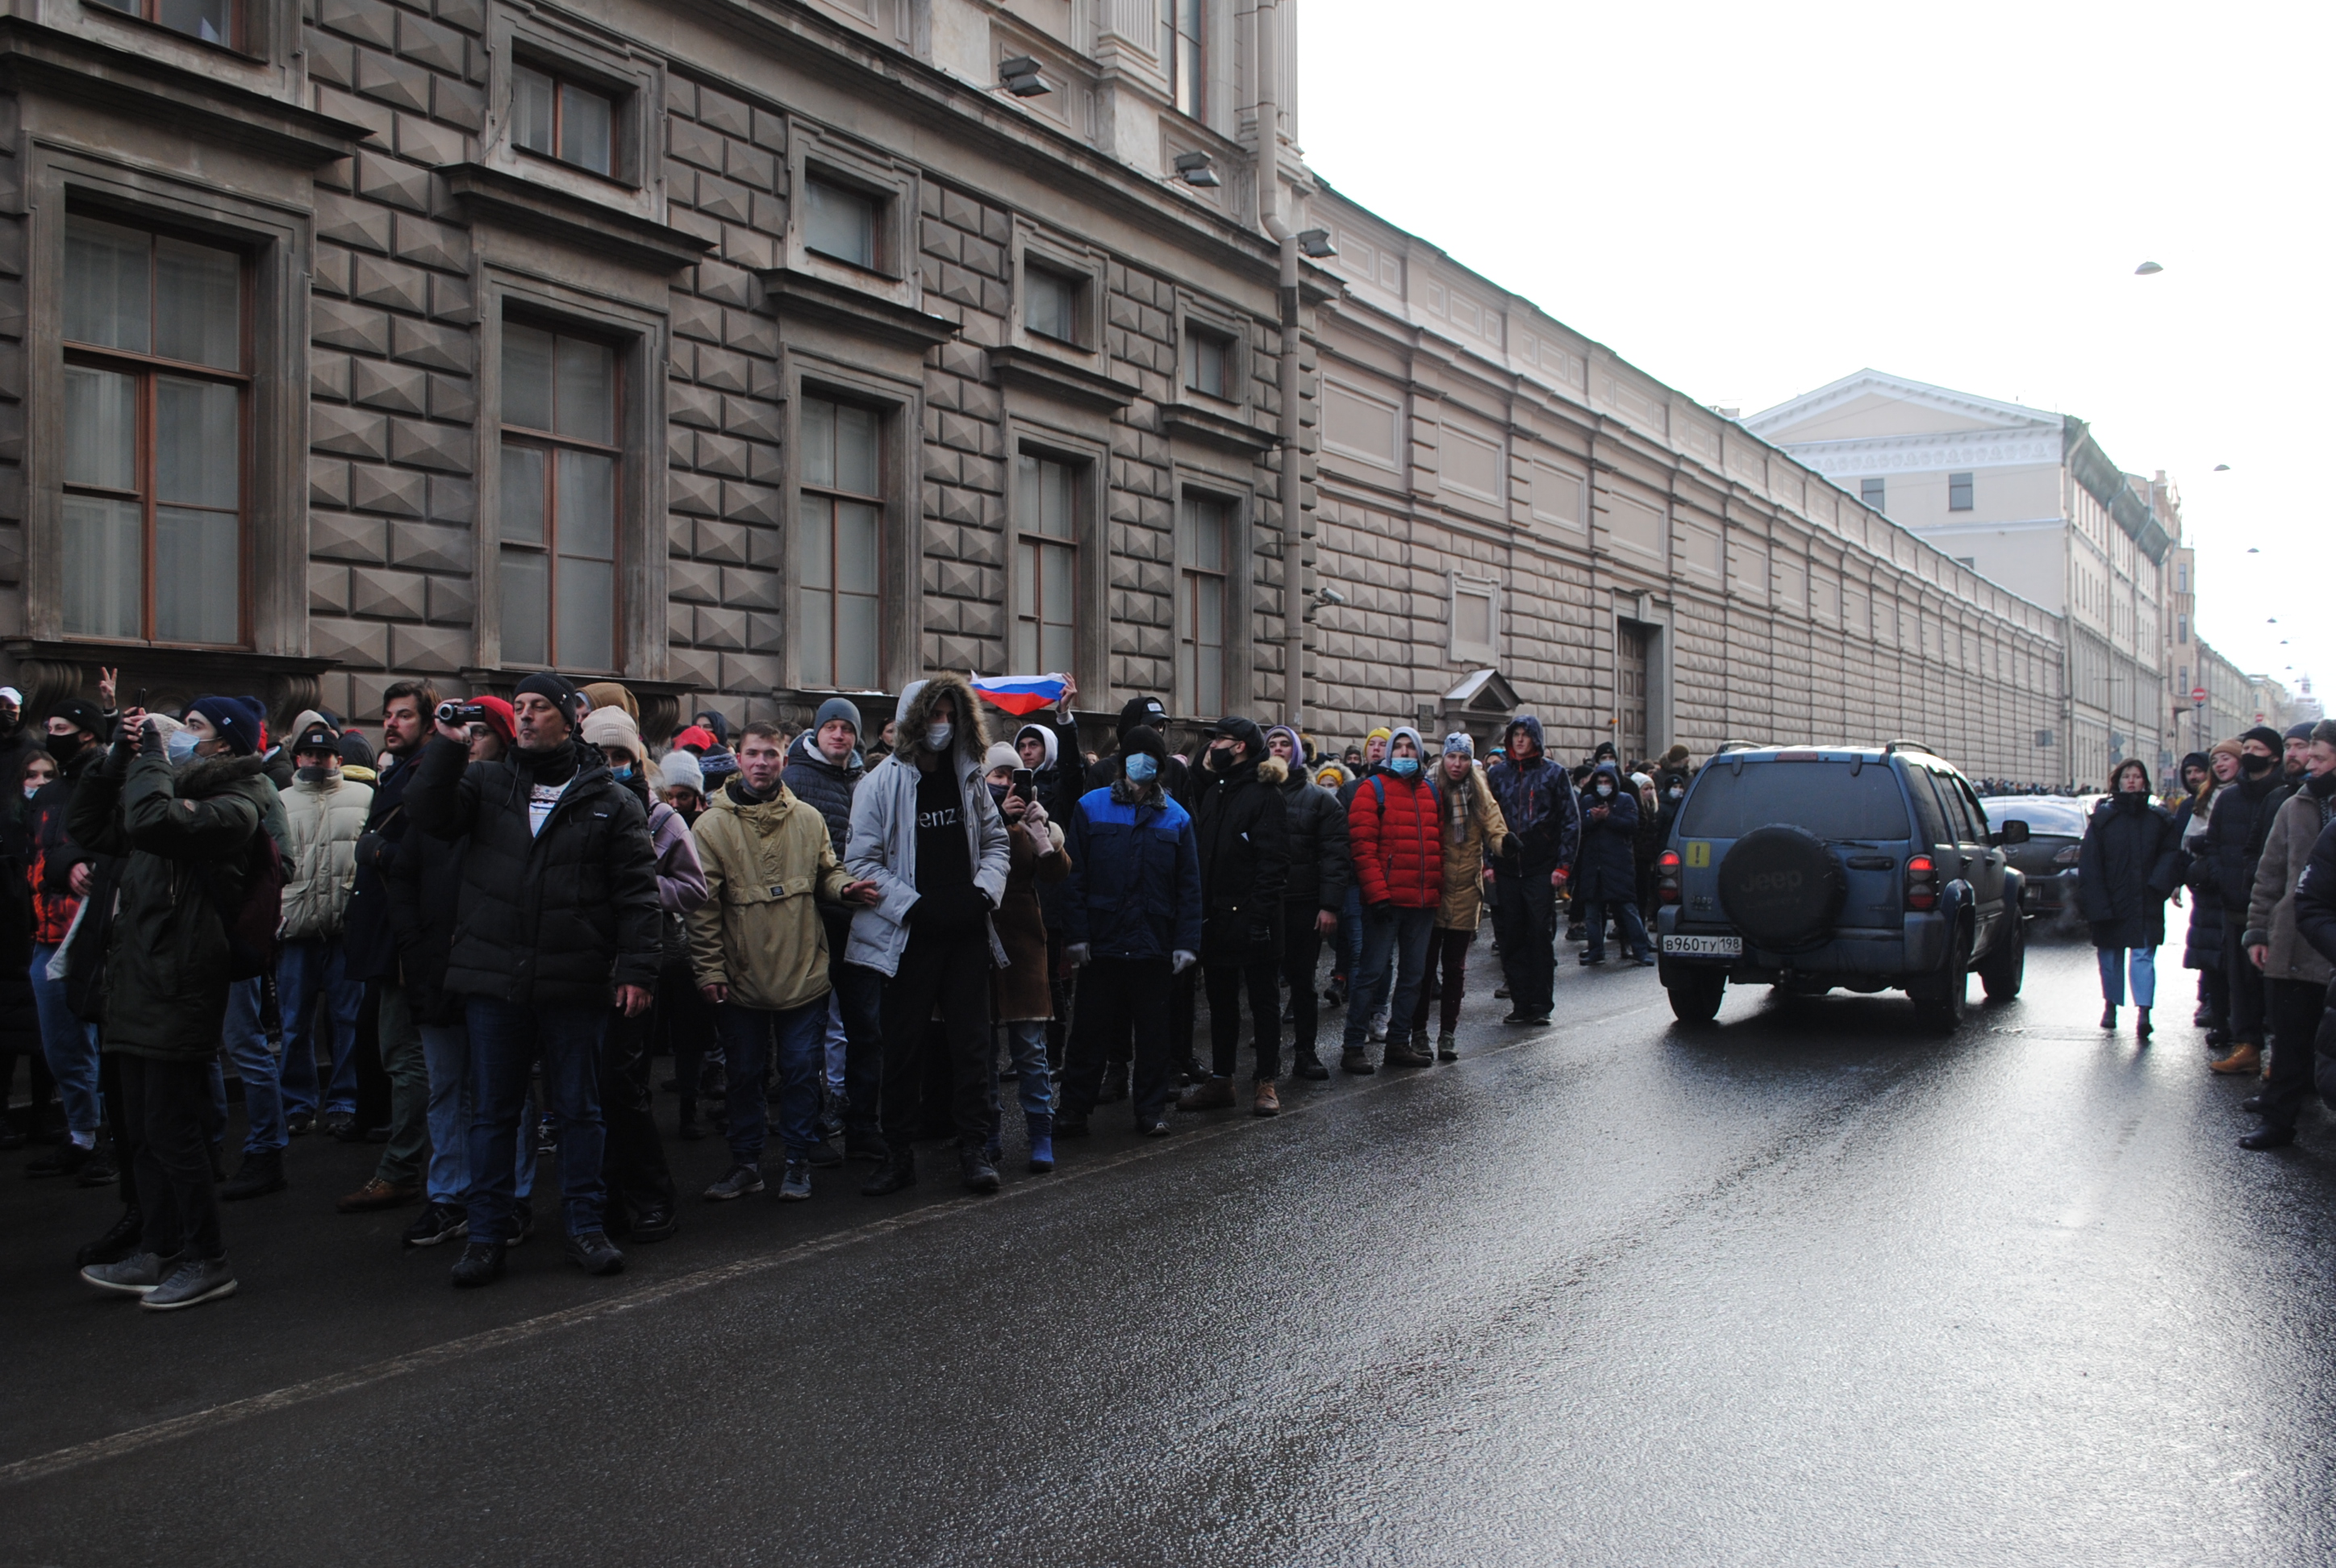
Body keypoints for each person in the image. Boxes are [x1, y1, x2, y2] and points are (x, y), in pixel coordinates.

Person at [404, 672, 662, 1288]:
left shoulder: (609, 798)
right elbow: (427, 813)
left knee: (579, 1111)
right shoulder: (486, 783)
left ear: (569, 717)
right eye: (518, 708)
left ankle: (584, 1227)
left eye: (539, 707)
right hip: (497, 981)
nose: (524, 718)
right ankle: (487, 1235)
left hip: (574, 984)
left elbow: (637, 895)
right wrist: (444, 745)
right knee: (492, 1114)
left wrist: (636, 969)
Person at [73, 697, 277, 1311]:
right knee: (140, 1130)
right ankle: (160, 1249)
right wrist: (118, 753)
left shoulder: (238, 803)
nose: (180, 733)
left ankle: (207, 1257)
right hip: (136, 984)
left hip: (181, 985)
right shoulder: (160, 789)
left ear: (225, 745)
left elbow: (152, 823)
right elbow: (88, 824)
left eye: (195, 728)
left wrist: (154, 754)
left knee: (173, 1130)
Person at [690, 720, 875, 1204]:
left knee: (799, 1071)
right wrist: (709, 969)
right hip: (741, 975)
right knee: (745, 1074)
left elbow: (827, 872)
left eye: (771, 754)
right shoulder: (710, 826)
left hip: (803, 973)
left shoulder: (809, 819)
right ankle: (746, 1163)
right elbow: (703, 910)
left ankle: (796, 1160)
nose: (762, 763)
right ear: (738, 758)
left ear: (785, 760)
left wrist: (845, 889)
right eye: (753, 754)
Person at [845, 677, 1012, 1197]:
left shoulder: (970, 780)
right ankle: (897, 1155)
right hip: (909, 936)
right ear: (915, 720)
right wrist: (913, 906)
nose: (942, 726)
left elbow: (996, 845)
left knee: (971, 1047)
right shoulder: (879, 784)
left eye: (950, 715)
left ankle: (974, 1150)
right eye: (933, 715)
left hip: (964, 930)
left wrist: (982, 894)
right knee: (903, 1049)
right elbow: (861, 861)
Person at [387, 696, 540, 1250]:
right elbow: (402, 877)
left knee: (503, 1091)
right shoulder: (434, 802)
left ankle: (512, 1197)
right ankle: (447, 1195)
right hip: (436, 970)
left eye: (480, 732)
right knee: (445, 1087)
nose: (469, 740)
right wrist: (415, 945)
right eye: (461, 732)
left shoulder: (514, 800)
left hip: (495, 970)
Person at [580, 703, 703, 1241]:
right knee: (581, 1092)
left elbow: (693, 889)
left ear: (637, 760)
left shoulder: (661, 817)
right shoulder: (569, 807)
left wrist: (637, 888)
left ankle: (652, 1196)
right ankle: (596, 1200)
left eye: (620, 757)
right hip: (576, 966)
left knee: (624, 1088)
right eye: (599, 756)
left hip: (636, 964)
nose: (610, 767)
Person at [1057, 725, 1200, 1138]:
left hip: (1152, 944)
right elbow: (1075, 877)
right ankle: (1073, 1109)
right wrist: (1077, 935)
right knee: (1087, 1033)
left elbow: (1189, 887)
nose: (1142, 763)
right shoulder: (1091, 807)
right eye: (1136, 755)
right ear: (1123, 762)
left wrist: (1186, 943)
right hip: (1102, 942)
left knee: (1155, 1036)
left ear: (1160, 767)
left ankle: (1150, 1110)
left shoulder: (1177, 817)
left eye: (1150, 757)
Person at [783, 698, 886, 1161]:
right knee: (807, 1032)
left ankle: (863, 1125)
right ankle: (807, 1133)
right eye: (832, 727)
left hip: (860, 920)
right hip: (810, 921)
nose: (839, 735)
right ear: (818, 732)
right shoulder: (793, 780)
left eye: (847, 728)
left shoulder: (866, 781)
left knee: (866, 1027)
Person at [1178, 717, 1291, 1117]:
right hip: (1218, 919)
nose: (1213, 748)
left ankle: (1265, 1082)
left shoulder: (1265, 795)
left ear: (1240, 745)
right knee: (1221, 1003)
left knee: (1263, 1002)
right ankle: (1222, 1080)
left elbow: (1273, 864)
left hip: (1256, 921)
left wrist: (1258, 919)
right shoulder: (1216, 791)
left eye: (1219, 740)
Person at [2238, 720, 2336, 1147]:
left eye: (2319, 757)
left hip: (2330, 950)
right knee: (2290, 1041)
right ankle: (2278, 1122)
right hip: (2294, 941)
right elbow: (2270, 874)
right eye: (2307, 756)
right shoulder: (2295, 806)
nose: (2309, 764)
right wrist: (2258, 931)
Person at [22, 697, 109, 1178]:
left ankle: (108, 1138)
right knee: (60, 1045)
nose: (51, 733)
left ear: (87, 735)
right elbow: (39, 855)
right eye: (49, 725)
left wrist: (75, 861)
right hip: (45, 933)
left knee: (97, 1043)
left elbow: (105, 843)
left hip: (90, 932)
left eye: (61, 727)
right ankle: (81, 1134)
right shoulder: (47, 795)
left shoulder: (105, 784)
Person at [981, 742, 1069, 1170]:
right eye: (997, 776)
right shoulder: (974, 820)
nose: (1005, 784)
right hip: (979, 943)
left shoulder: (1036, 820)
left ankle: (1040, 1132)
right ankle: (989, 1133)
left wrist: (1041, 833)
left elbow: (1056, 874)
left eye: (1012, 777)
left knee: (1031, 1051)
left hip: (1024, 947)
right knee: (983, 1052)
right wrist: (999, 818)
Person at [1344, 727, 1443, 1072]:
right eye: (1398, 748)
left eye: (1409, 748)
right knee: (1370, 974)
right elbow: (1362, 846)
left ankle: (1398, 1043)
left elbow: (1438, 845)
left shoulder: (1430, 792)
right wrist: (1377, 894)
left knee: (1414, 976)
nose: (1403, 753)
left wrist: (1437, 888)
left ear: (1419, 754)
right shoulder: (1373, 789)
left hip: (1422, 901)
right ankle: (1353, 1045)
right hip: (1384, 901)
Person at [2195, 726, 2289, 1074]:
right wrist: (2221, 878)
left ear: (2274, 756)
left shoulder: (2284, 796)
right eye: (2245, 746)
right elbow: (2214, 844)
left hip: (2272, 909)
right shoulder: (2230, 798)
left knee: (2274, 985)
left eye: (2257, 748)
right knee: (2240, 982)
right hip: (2234, 905)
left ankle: (2280, 1057)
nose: (2249, 752)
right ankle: (2247, 1047)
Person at [1411, 734, 1510, 1061]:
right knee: (1424, 969)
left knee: (1455, 968)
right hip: (1431, 890)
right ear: (1444, 758)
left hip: (1466, 890)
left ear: (1471, 762)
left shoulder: (1479, 793)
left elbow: (1495, 827)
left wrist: (1505, 844)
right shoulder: (1428, 789)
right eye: (1453, 757)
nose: (1457, 764)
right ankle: (1419, 1032)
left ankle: (1448, 1034)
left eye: (1464, 759)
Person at [1484, 715, 1580, 1025]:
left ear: (1535, 738)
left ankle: (1540, 1003)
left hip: (1541, 867)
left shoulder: (1553, 774)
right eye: (1516, 734)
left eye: (1526, 734)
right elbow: (1487, 821)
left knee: (1539, 934)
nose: (1520, 740)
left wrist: (1563, 866)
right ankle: (1520, 1001)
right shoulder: (1497, 775)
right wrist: (1488, 862)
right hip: (1506, 867)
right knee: (1511, 936)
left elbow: (1570, 820)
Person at [1265, 724, 1347, 1079]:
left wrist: (1329, 906)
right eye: (1272, 744)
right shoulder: (1256, 794)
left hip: (1303, 903)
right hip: (1265, 903)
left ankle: (1305, 1052)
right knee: (1264, 981)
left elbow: (1335, 857)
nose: (1279, 749)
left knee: (1302, 980)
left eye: (1286, 744)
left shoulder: (1321, 800)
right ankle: (1267, 1057)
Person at [2078, 760, 2181, 1036]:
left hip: (2146, 898)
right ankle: (2110, 1005)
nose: (2132, 781)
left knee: (2143, 956)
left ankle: (2144, 1013)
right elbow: (2090, 863)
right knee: (2110, 956)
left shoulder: (2158, 819)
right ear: (2118, 782)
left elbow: (2171, 854)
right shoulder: (2103, 820)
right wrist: (2095, 900)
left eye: (2137, 777)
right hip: (2111, 899)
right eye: (2127, 777)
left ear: (2145, 782)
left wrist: (2160, 885)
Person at [2179, 743, 2240, 1035]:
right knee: (2212, 955)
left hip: (2234, 884)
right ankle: (2214, 1011)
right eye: (2215, 760)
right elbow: (2188, 839)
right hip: (2208, 887)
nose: (2219, 764)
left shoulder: (2249, 794)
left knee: (2234, 955)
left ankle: (2234, 1016)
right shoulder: (2206, 796)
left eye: (2225, 758)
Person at [1576, 761, 1654, 967]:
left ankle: (1640, 950)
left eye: (1607, 781)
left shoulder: (1625, 800)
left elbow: (1632, 825)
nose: (1604, 785)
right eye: (1600, 781)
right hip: (1594, 864)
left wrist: (1608, 817)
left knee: (1628, 910)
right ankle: (1595, 950)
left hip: (1619, 864)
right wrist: (1593, 820)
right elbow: (1579, 828)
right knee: (1593, 913)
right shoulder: (1587, 801)